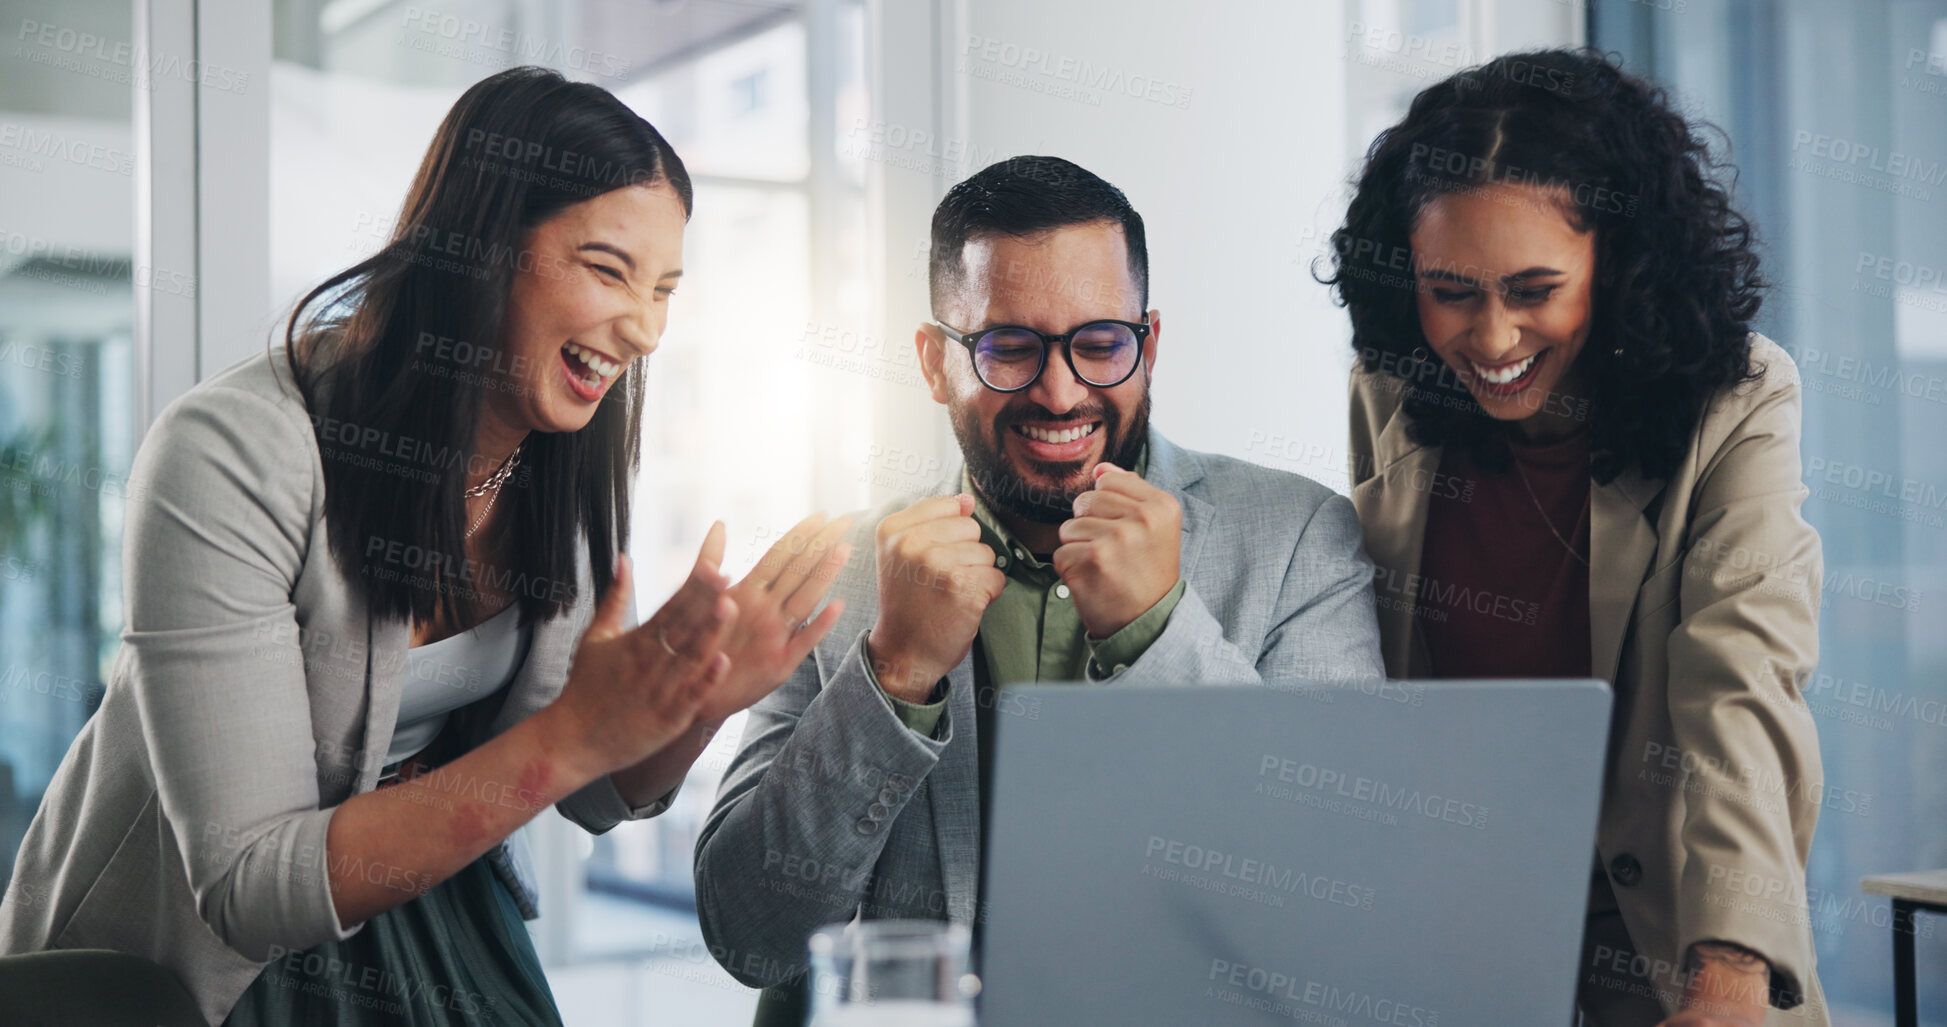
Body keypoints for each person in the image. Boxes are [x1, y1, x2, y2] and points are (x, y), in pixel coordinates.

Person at [0, 66, 852, 1025]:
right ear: (477, 248)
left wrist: (689, 703)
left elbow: (593, 792)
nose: (645, 328)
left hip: (428, 905)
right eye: (607, 270)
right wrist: (576, 733)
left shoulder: (555, 459)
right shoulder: (231, 452)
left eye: (663, 288)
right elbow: (248, 885)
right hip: (206, 965)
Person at [694, 155, 1387, 1026]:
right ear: (934, 362)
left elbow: (1340, 909)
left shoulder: (1297, 540)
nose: (1060, 392)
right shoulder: (839, 569)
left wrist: (1156, 633)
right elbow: (750, 935)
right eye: (1008, 348)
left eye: (1099, 344)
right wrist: (893, 673)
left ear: (1150, 344)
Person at [1325, 49, 1827, 1027]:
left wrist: (1726, 973)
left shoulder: (1739, 398)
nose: (1493, 338)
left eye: (1533, 288)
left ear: (1622, 265)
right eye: (1452, 290)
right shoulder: (1389, 389)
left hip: (1667, 932)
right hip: (1455, 937)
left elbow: (1742, 683)